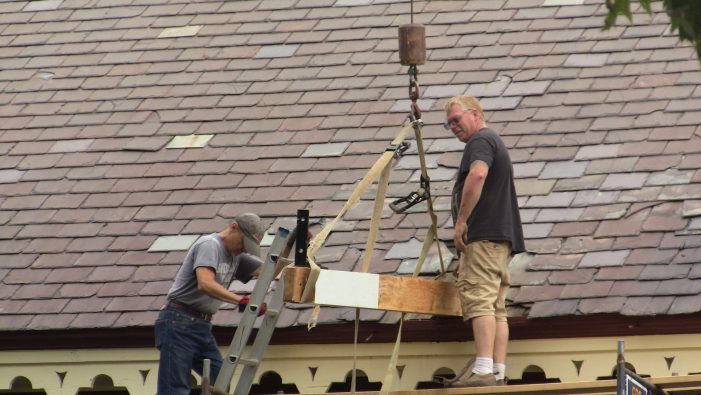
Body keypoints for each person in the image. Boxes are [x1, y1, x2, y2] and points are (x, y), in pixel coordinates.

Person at [443, 95, 525, 387]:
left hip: (484, 236)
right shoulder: (492, 140)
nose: (453, 127)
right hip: (501, 240)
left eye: (456, 119)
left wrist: (462, 221)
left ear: (475, 114)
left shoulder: (479, 141)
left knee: (479, 300)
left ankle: (483, 370)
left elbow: (477, 174)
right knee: (495, 306)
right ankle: (497, 371)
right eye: (449, 123)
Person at [155, 213, 266, 395]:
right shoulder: (209, 245)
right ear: (233, 227)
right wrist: (241, 300)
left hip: (201, 326)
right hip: (179, 321)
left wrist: (293, 246)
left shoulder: (235, 256)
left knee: (221, 381)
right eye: (243, 243)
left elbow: (269, 271)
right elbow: (205, 283)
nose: (243, 249)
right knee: (175, 389)